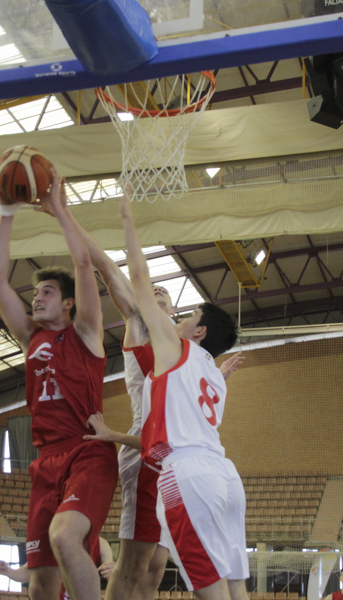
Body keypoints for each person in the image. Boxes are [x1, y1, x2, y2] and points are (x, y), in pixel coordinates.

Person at [55, 200, 243, 600]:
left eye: (166, 298)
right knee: (135, 565)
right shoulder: (142, 327)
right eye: (152, 293)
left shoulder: (188, 356)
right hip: (147, 451)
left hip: (175, 454)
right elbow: (108, 268)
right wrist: (63, 213)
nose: (157, 295)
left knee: (157, 568)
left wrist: (218, 375)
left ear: (186, 325)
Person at [0, 169, 118, 600]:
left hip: (86, 451)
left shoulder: (84, 332)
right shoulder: (31, 337)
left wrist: (59, 209)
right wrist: (7, 211)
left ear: (66, 303)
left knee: (65, 538)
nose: (36, 298)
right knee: (41, 585)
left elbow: (84, 263)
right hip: (45, 463)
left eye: (45, 292)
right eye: (35, 292)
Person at [114, 190, 246, 600]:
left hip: (187, 472)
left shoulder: (177, 348)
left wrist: (128, 222)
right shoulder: (216, 376)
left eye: (189, 316)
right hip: (227, 476)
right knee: (235, 585)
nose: (182, 319)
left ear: (200, 332)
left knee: (209, 589)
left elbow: (138, 280)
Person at [0, 537, 114, 597]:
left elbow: (111, 574)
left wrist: (114, 573)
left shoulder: (101, 544)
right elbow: (29, 572)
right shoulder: (52, 541)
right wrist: (8, 571)